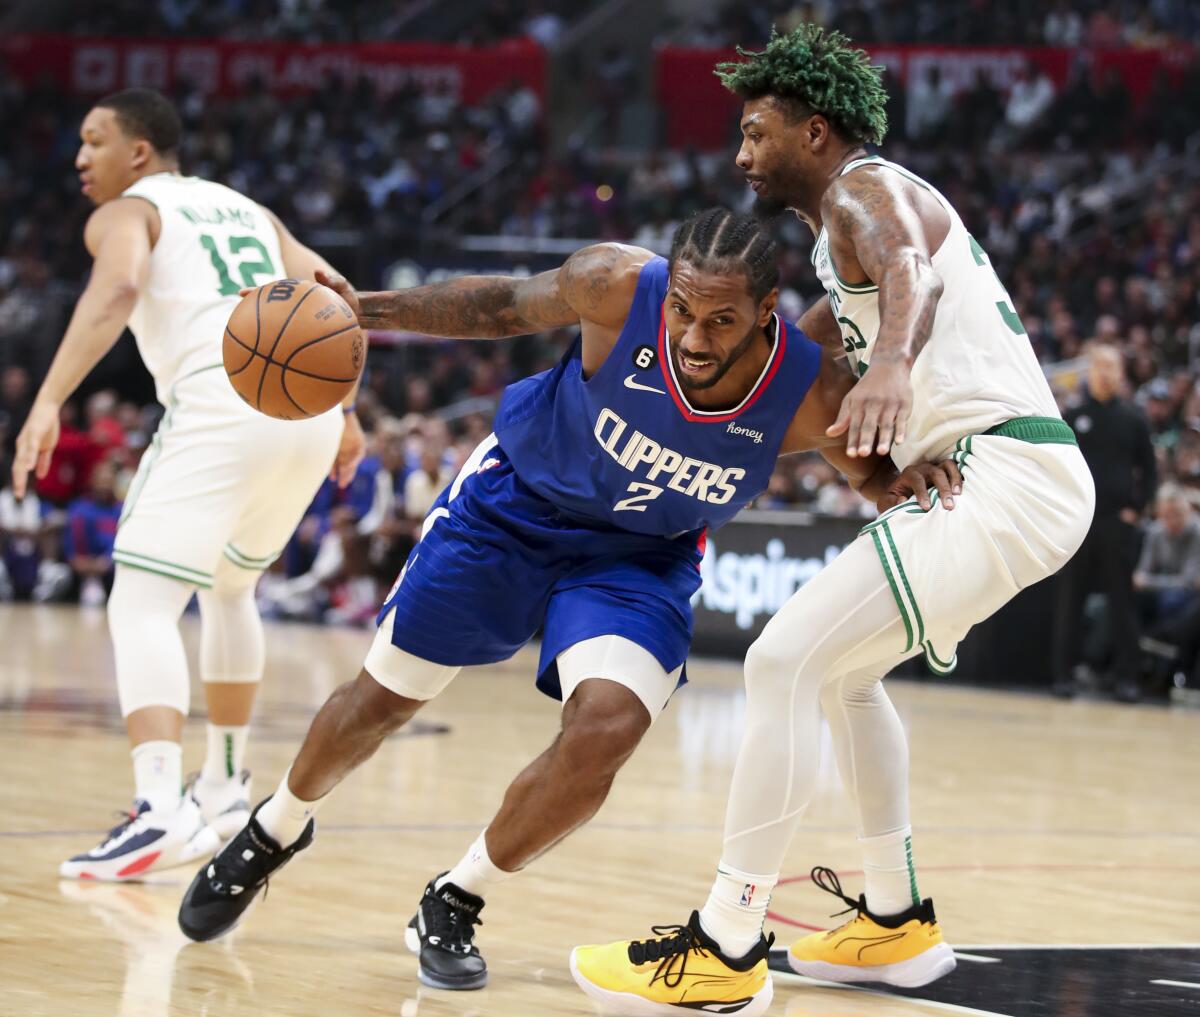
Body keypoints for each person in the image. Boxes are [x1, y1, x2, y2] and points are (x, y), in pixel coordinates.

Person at [175, 208, 961, 991]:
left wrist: (906, 481)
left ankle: (456, 894)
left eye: (721, 321)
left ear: (765, 312)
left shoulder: (810, 392)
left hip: (639, 558)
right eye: (682, 312)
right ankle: (274, 827)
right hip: (512, 507)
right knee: (382, 699)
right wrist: (365, 311)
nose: (692, 338)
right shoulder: (614, 285)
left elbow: (869, 472)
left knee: (608, 727)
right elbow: (503, 306)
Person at [570, 26, 1094, 1016]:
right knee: (845, 681)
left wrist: (893, 362)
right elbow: (789, 389)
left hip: (1008, 470)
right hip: (1009, 476)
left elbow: (916, 276)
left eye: (757, 132)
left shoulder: (865, 189)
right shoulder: (831, 248)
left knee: (779, 664)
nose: (740, 154)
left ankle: (726, 944)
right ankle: (895, 926)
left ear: (815, 131)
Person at [11, 88, 364, 881]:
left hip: (222, 396)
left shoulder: (127, 212)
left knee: (138, 600)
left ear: (138, 153)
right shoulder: (249, 211)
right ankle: (226, 790)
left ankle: (160, 808)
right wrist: (346, 410)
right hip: (303, 412)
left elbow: (118, 290)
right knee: (231, 590)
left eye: (92, 140)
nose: (79, 157)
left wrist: (47, 399)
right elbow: (337, 295)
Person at [1053, 344, 1157, 701]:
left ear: (1121, 373)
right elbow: (1057, 466)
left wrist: (1137, 509)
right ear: (1089, 373)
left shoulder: (1134, 419)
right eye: (1099, 366)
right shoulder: (1074, 416)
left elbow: (1150, 470)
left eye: (1112, 367)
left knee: (1122, 603)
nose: (1105, 373)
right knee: (1070, 601)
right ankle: (1063, 676)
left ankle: (1126, 679)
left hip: (1116, 522)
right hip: (1078, 524)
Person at [1134, 484, 1200, 693]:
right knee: (1124, 599)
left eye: (1178, 514)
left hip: (1186, 599)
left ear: (1187, 511)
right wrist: (1153, 582)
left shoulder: (1197, 534)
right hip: (1159, 597)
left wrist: (1151, 582)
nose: (1173, 521)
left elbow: (1190, 582)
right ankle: (1106, 667)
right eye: (1167, 515)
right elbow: (1139, 576)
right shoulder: (1155, 533)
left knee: (1176, 601)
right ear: (1160, 514)